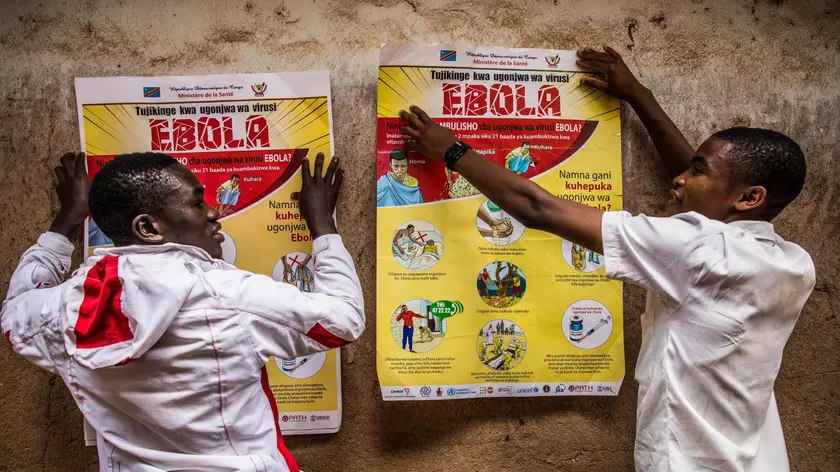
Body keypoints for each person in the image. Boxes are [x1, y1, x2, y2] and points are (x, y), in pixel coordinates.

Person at [399, 45, 814, 472]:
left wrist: (451, 151)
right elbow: (713, 201)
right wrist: (638, 96)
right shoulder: (793, 263)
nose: (680, 178)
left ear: (750, 198)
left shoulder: (697, 249)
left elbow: (536, 207)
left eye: (697, 170)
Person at [0, 151, 364, 472]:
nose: (213, 211)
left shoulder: (63, 311)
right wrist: (323, 226)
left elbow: (16, 310)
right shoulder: (230, 296)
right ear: (148, 228)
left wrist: (67, 220)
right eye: (196, 203)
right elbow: (344, 321)